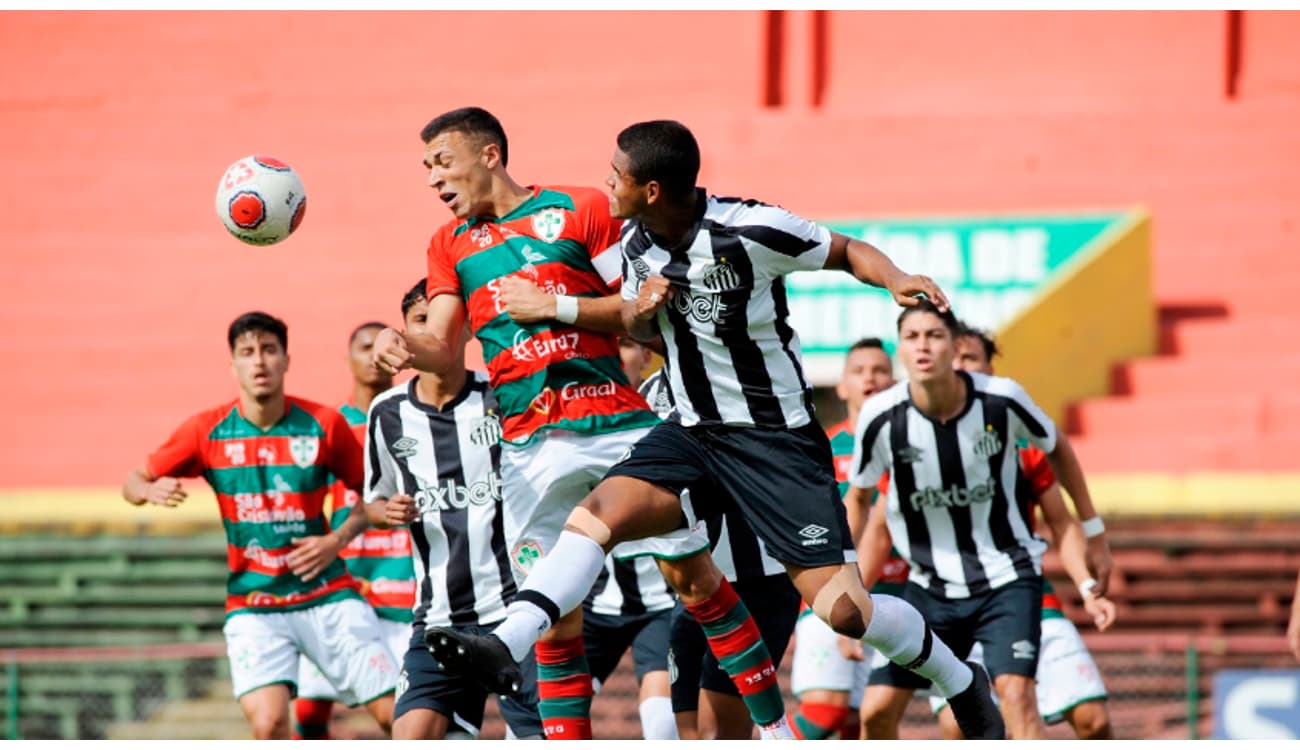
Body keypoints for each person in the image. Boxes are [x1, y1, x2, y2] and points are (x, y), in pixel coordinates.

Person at [421, 118, 1005, 741]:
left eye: (616, 175)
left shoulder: (751, 228)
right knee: (597, 515)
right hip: (692, 433)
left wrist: (896, 280)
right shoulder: (636, 246)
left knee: (845, 614)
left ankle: (960, 678)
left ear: (650, 189)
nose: (605, 183)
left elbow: (845, 250)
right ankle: (507, 640)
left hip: (774, 441)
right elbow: (640, 329)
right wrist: (640, 315)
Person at [371, 107, 784, 738]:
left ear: (489, 156)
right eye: (426, 167)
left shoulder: (580, 207)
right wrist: (402, 345)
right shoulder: (447, 244)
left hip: (620, 425)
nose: (433, 178)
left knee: (695, 581)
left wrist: (555, 307)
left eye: (442, 162)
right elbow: (445, 348)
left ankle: (776, 733)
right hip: (529, 445)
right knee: (557, 621)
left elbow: (638, 309)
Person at [121, 312, 397, 740]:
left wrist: (336, 540)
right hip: (255, 605)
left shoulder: (324, 424)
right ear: (233, 366)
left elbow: (372, 499)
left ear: (287, 360)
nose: (259, 362)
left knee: (397, 717)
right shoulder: (205, 431)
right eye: (247, 352)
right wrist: (147, 491)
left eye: (269, 350)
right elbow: (133, 480)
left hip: (327, 595)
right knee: (269, 725)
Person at [849, 300, 1106, 738]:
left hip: (1007, 579)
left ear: (954, 346)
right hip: (928, 589)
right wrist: (846, 578)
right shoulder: (881, 418)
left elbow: (1056, 444)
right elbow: (859, 501)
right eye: (912, 337)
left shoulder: (1001, 400)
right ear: (901, 351)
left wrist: (1094, 531)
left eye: (934, 336)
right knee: (875, 712)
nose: (923, 346)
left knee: (1017, 697)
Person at [362, 279, 543, 740]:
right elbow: (374, 501)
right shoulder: (387, 412)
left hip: (513, 611)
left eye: (445, 320)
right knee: (412, 735)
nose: (433, 331)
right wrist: (390, 512)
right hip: (437, 618)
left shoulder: (502, 396)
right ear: (406, 336)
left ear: (467, 330)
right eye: (421, 322)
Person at [932, 324, 1116, 739]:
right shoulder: (913, 439)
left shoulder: (1021, 443)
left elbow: (1060, 523)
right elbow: (877, 526)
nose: (962, 368)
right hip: (948, 602)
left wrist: (1087, 586)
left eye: (972, 359)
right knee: (959, 727)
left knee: (1093, 720)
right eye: (955, 358)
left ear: (990, 368)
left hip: (1023, 594)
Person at [629, 351, 803, 740]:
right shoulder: (647, 394)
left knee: (721, 734)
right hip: (691, 587)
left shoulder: (750, 374)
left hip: (758, 582)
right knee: (686, 736)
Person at [293, 321, 411, 740]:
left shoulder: (417, 418)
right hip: (345, 589)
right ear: (348, 359)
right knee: (308, 710)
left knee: (402, 717)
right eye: (363, 347)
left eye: (379, 346)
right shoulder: (327, 428)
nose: (372, 355)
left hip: (407, 590)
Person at [787, 338, 906, 740]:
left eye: (879, 370)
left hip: (895, 599)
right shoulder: (819, 449)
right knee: (824, 714)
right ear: (842, 387)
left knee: (867, 725)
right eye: (859, 371)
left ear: (894, 381)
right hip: (831, 597)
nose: (870, 378)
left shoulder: (912, 446)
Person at [579, 337, 679, 740]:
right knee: (539, 725)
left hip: (662, 600)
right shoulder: (570, 414)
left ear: (647, 355)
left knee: (663, 725)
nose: (615, 353)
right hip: (589, 600)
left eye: (623, 344)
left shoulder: (671, 408)